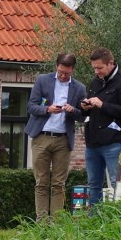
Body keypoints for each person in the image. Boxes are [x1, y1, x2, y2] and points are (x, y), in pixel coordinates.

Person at [79, 47, 121, 206]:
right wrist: (84, 107)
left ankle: (120, 222)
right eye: (94, 68)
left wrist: (102, 104)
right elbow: (90, 111)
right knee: (93, 185)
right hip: (93, 142)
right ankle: (95, 222)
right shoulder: (95, 83)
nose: (96, 71)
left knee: (118, 184)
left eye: (99, 68)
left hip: (114, 141)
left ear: (111, 63)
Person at [26, 52, 83, 221]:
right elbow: (30, 106)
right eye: (60, 72)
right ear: (56, 67)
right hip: (41, 136)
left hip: (63, 139)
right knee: (41, 182)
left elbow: (82, 116)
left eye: (67, 73)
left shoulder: (79, 88)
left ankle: (56, 223)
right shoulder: (43, 80)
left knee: (59, 184)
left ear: (72, 69)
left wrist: (72, 110)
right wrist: (47, 109)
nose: (63, 75)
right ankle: (41, 222)